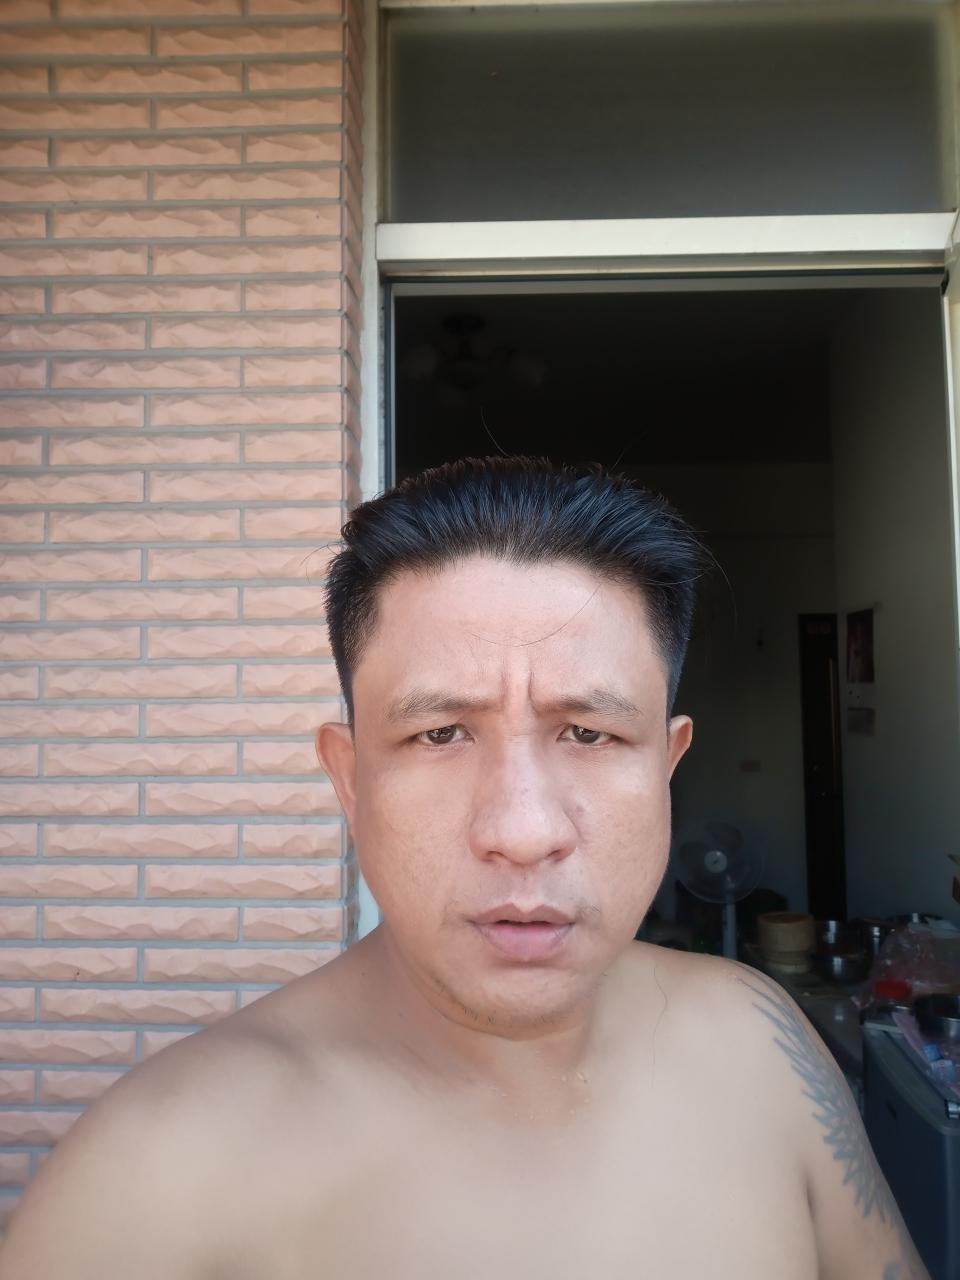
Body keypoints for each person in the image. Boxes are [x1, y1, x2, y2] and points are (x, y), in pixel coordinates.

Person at [1, 457, 927, 1280]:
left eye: (589, 733)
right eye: (440, 734)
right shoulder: (154, 1178)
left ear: (667, 765)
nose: (523, 831)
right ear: (350, 779)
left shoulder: (760, 1042)